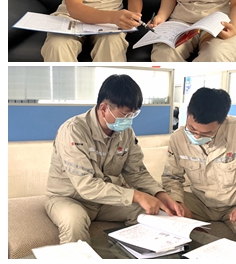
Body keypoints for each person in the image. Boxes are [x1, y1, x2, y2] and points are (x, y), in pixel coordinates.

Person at [45, 74, 184, 244]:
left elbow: (137, 173)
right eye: (125, 115)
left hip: (106, 200)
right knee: (73, 222)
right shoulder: (73, 131)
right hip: (70, 199)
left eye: (133, 115)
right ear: (104, 108)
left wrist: (160, 194)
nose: (128, 121)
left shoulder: (126, 133)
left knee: (152, 213)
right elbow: (86, 186)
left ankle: (135, 252)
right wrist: (137, 195)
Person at [162, 87, 236, 253]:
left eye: (207, 132)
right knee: (163, 212)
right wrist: (178, 202)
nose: (197, 136)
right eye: (192, 129)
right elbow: (172, 177)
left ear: (223, 121)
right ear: (187, 113)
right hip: (199, 201)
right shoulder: (177, 138)